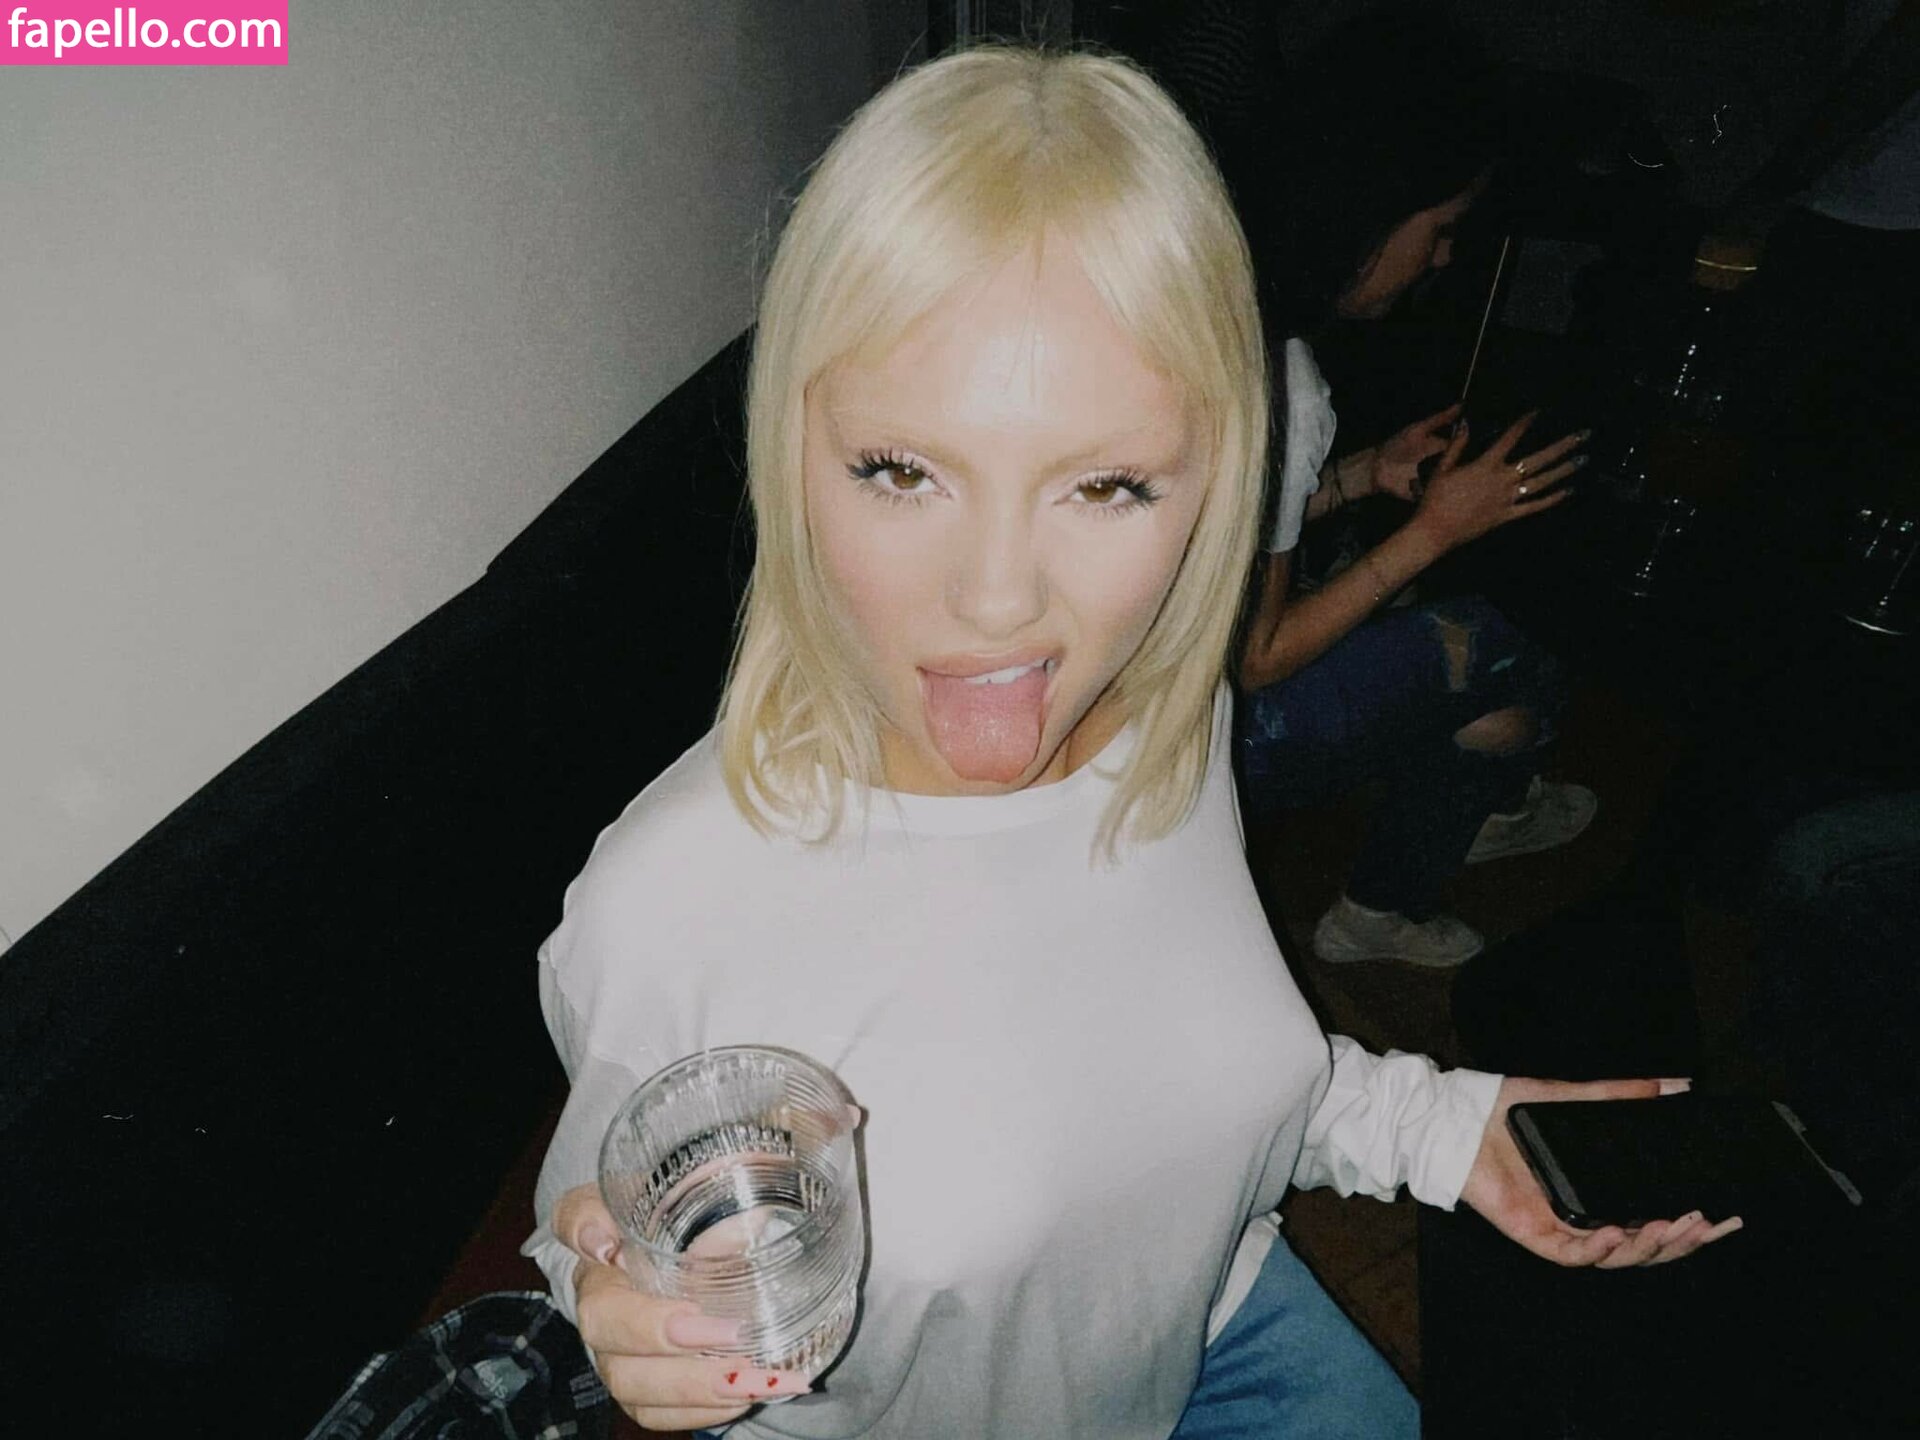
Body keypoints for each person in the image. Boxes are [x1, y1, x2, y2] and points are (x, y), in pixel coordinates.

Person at [520, 45, 1736, 1440]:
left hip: (1219, 1319)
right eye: (901, 470)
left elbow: (1177, 1075)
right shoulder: (673, 899)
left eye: (1105, 485)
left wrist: (1442, 1132)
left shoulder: (1170, 719)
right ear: (787, 450)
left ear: (1216, 480)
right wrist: (630, 1327)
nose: (996, 600)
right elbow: (595, 1243)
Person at [1194, 8, 1601, 967]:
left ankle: (1477, 793)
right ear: (1369, 208)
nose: (1445, 257)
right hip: (1205, 743)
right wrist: (1434, 530)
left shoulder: (1201, 296)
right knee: (1507, 657)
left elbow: (1212, 528)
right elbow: (1259, 658)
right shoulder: (1283, 381)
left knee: (1493, 715)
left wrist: (1357, 477)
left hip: (1124, 704)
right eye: (1442, 228)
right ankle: (1399, 889)